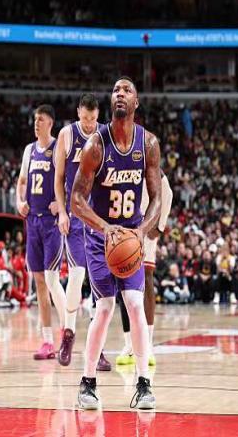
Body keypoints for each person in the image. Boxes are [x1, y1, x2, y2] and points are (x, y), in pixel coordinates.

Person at [71, 76, 161, 410]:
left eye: (127, 90)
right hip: (100, 237)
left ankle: (144, 383)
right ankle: (87, 382)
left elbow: (156, 199)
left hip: (131, 234)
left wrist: (141, 231)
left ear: (136, 102)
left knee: (135, 304)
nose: (120, 94)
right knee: (106, 307)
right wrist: (105, 227)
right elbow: (76, 200)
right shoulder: (96, 145)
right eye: (115, 90)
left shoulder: (148, 144)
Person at [54, 93, 110, 371]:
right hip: (75, 216)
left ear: (98, 116)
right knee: (76, 276)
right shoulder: (66, 134)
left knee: (99, 284)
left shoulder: (104, 135)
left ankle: (97, 349)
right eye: (85, 118)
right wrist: (63, 213)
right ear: (78, 113)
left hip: (98, 217)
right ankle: (68, 333)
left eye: (93, 119)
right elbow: (58, 178)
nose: (89, 124)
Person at [16, 104, 67, 360]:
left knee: (51, 279)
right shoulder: (29, 150)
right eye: (35, 119)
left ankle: (67, 331)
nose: (36, 123)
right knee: (38, 282)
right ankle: (47, 341)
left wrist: (61, 203)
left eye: (41, 120)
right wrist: (19, 201)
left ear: (51, 123)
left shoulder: (58, 148)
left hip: (51, 222)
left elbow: (69, 181)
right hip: (32, 222)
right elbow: (22, 181)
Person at [116, 171, 172, 366]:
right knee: (123, 281)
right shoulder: (121, 160)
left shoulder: (149, 161)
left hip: (145, 227)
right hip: (124, 224)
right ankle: (129, 345)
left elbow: (167, 191)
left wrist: (160, 225)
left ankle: (147, 345)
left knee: (147, 278)